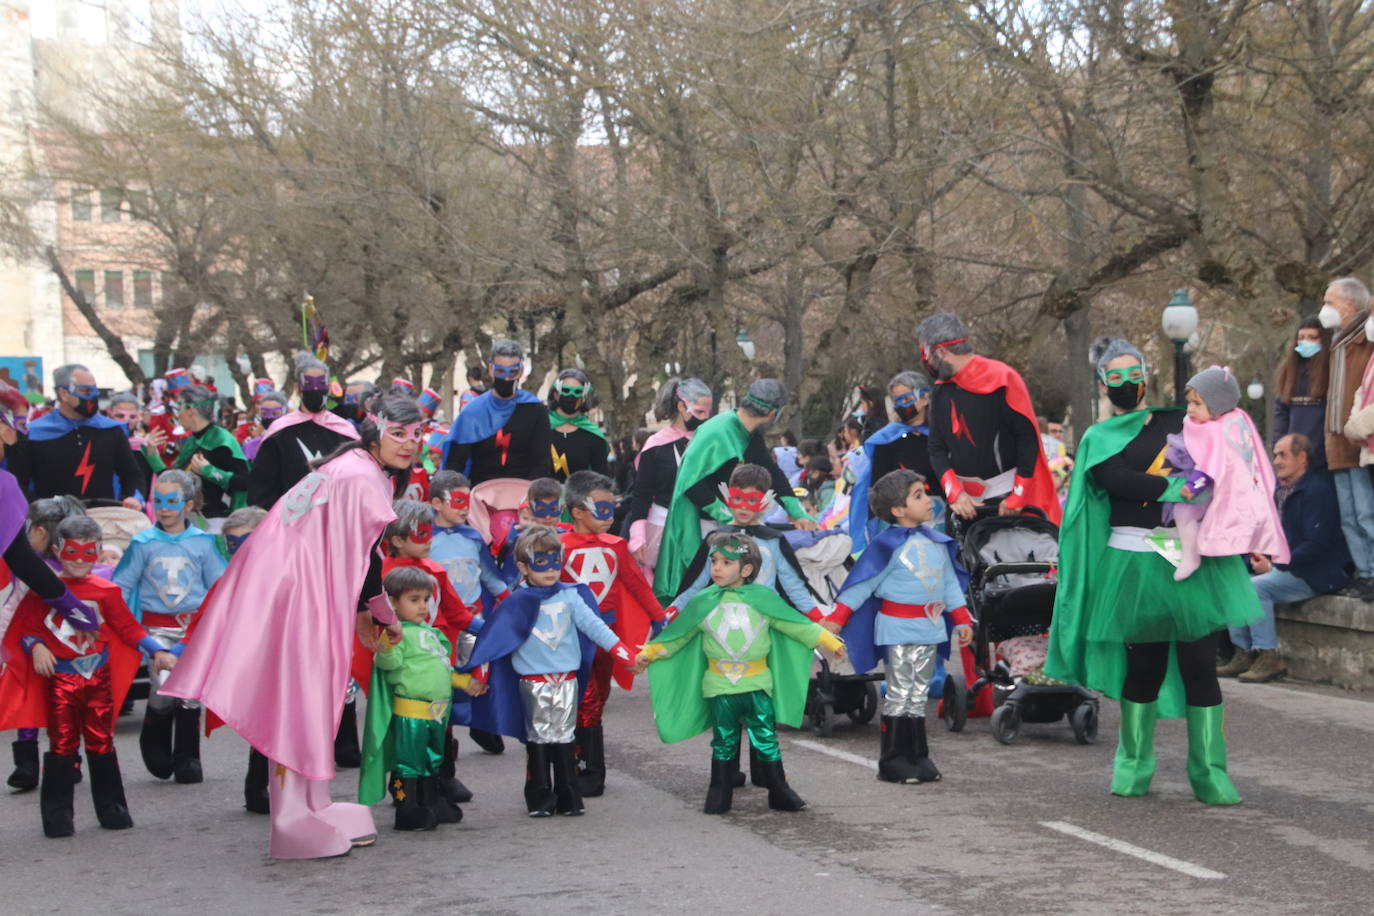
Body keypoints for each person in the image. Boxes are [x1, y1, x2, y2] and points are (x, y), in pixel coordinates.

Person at [160, 395, 422, 859]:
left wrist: (365, 609)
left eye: (416, 433)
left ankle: (312, 803)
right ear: (374, 430)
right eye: (398, 433)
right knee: (299, 699)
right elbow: (369, 561)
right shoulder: (360, 476)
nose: (409, 443)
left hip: (301, 588)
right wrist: (382, 613)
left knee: (313, 699)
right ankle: (291, 818)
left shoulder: (354, 467)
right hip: (298, 594)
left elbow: (353, 551)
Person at [1046, 339, 1261, 806]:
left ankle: (1209, 772)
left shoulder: (1178, 422)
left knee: (1201, 665)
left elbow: (1224, 466)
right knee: (1143, 667)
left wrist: (1243, 532)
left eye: (1132, 373)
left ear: (1146, 374)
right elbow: (1117, 483)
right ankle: (1133, 764)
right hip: (1134, 563)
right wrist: (1178, 487)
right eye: (1115, 377)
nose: (1126, 384)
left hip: (1195, 561)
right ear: (1103, 384)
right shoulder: (1098, 438)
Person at [634, 531, 845, 814]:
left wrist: (829, 642)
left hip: (757, 683)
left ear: (746, 569)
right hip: (720, 685)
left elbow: (797, 626)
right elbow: (677, 638)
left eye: (726, 563)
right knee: (723, 739)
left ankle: (779, 791)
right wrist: (648, 653)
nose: (717, 568)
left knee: (766, 737)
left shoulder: (764, 600)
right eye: (715, 561)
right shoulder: (703, 602)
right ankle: (719, 793)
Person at [0, 515, 177, 837]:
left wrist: (156, 650)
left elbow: (127, 628)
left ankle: (112, 808)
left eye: (87, 553)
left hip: (98, 677)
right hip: (61, 681)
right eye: (72, 552)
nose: (79, 561)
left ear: (97, 552)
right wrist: (37, 646)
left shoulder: (106, 591)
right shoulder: (46, 589)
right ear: (57, 550)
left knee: (101, 740)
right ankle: (57, 816)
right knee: (62, 743)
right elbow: (25, 630)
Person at [460, 526, 636, 817]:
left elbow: (594, 627)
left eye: (556, 561)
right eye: (541, 563)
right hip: (534, 681)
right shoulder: (516, 602)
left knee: (566, 735)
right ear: (523, 567)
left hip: (566, 679)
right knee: (539, 737)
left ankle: (569, 795)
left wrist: (623, 654)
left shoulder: (570, 596)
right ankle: (540, 797)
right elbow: (495, 640)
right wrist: (478, 677)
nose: (551, 570)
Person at [825, 470, 972, 784]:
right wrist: (837, 617)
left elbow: (948, 585)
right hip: (898, 628)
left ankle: (919, 758)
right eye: (918, 495)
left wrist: (961, 618)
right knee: (901, 693)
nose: (928, 500)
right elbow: (861, 584)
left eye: (925, 492)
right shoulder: (886, 546)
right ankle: (893, 761)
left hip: (930, 628)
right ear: (897, 510)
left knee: (918, 693)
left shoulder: (937, 542)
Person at [655, 378, 817, 604]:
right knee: (701, 594)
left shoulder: (749, 434)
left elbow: (771, 474)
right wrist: (728, 516)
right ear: (773, 414)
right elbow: (690, 483)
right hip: (700, 526)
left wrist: (796, 511)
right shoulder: (716, 431)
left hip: (726, 525)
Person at [113, 469, 226, 784]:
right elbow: (120, 587)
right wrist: (128, 628)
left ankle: (188, 757)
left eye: (172, 501)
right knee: (162, 687)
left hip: (195, 630)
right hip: (156, 631)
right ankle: (154, 742)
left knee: (190, 693)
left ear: (188, 505)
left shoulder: (205, 543)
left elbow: (219, 587)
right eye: (158, 500)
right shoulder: (142, 543)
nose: (164, 508)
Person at [558, 470, 665, 796]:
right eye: (601, 510)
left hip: (606, 632)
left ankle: (581, 761)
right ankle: (589, 770)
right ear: (577, 511)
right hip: (569, 635)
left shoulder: (616, 546)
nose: (609, 517)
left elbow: (636, 583)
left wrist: (658, 617)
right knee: (582, 697)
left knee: (598, 697)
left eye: (611, 509)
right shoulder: (558, 545)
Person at [358, 566, 485, 831]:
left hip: (437, 714)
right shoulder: (397, 635)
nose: (422, 607)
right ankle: (407, 808)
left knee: (432, 760)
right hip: (411, 714)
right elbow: (387, 664)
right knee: (408, 764)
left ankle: (431, 802)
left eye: (426, 600)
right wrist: (388, 644)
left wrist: (465, 682)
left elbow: (442, 668)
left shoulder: (431, 633)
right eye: (413, 600)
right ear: (392, 602)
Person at [1218, 435, 1347, 684]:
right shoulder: (1282, 490)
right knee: (1233, 579)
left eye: (1282, 455)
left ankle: (1269, 655)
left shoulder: (1316, 491)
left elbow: (1316, 546)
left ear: (1302, 458)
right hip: (1289, 566)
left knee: (1255, 588)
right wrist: (1259, 557)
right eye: (1275, 454)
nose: (1276, 461)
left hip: (1316, 573)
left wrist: (1275, 564)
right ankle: (1244, 653)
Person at [917, 313, 1062, 523]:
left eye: (926, 353)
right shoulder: (940, 391)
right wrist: (954, 491)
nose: (927, 360)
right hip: (965, 506)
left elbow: (1027, 439)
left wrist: (1019, 495)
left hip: (1007, 502)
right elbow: (936, 448)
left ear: (941, 351)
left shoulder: (1001, 379)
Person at [1164, 366, 1289, 581]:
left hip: (1218, 490)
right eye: (1189, 403)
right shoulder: (1237, 420)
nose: (1190, 409)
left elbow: (1211, 463)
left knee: (1182, 513)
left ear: (1217, 406)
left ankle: (1191, 557)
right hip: (1237, 491)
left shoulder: (1216, 430)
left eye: (1197, 404)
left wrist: (1193, 486)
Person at [11, 364, 146, 507]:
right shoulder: (32, 434)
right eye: (85, 391)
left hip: (104, 519)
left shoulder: (111, 430)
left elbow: (131, 473)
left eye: (94, 390)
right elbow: (17, 483)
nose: (93, 396)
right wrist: (39, 508)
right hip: (52, 522)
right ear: (63, 394)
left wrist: (135, 497)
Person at [620, 377, 713, 578]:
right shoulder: (656, 446)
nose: (704, 418)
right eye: (699, 412)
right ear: (682, 406)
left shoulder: (710, 443)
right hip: (662, 529)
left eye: (707, 413)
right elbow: (641, 495)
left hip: (703, 527)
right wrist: (637, 537)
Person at [1319, 277, 1374, 597]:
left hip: (1360, 440)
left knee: (1367, 512)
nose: (1325, 309)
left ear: (1350, 306)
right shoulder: (1336, 341)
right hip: (1336, 442)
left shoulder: (1365, 341)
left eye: (1330, 302)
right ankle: (1363, 571)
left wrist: (1356, 426)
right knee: (1349, 515)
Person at [248, 354, 360, 510]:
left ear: (328, 386)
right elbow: (263, 486)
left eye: (321, 383)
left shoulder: (345, 432)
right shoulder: (279, 433)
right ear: (297, 388)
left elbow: (356, 480)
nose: (315, 389)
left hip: (335, 517)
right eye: (308, 383)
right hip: (291, 520)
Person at [848, 371, 938, 553]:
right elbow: (877, 485)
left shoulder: (941, 436)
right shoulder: (886, 439)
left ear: (925, 398)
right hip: (898, 521)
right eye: (896, 401)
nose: (899, 406)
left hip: (939, 518)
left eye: (905, 399)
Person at [442, 339, 554, 484]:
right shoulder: (473, 411)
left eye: (513, 371)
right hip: (480, 494)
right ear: (490, 370)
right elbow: (455, 463)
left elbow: (541, 462)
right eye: (500, 371)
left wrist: (530, 497)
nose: (507, 378)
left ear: (520, 371)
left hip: (522, 495)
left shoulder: (535, 410)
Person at [143, 385, 251, 521]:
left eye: (179, 407)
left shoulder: (222, 441)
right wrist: (153, 454)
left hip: (219, 522)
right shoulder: (192, 440)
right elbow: (174, 481)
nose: (177, 414)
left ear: (191, 410)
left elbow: (246, 482)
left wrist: (209, 471)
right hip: (189, 520)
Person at [1273, 317, 1330, 469]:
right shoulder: (1289, 372)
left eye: (1312, 337)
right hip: (1293, 454)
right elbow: (1281, 413)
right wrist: (1280, 446)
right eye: (1301, 337)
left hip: (1323, 455)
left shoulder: (1330, 372)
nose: (1306, 342)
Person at [547, 368, 610, 481]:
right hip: (542, 495)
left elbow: (601, 478)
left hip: (580, 497)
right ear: (556, 394)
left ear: (584, 398)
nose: (571, 396)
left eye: (577, 392)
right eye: (566, 390)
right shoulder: (540, 428)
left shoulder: (593, 436)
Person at [241, 391, 288, 461]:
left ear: (284, 413)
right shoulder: (252, 445)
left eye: (275, 413)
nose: (269, 417)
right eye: (264, 413)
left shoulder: (291, 441)